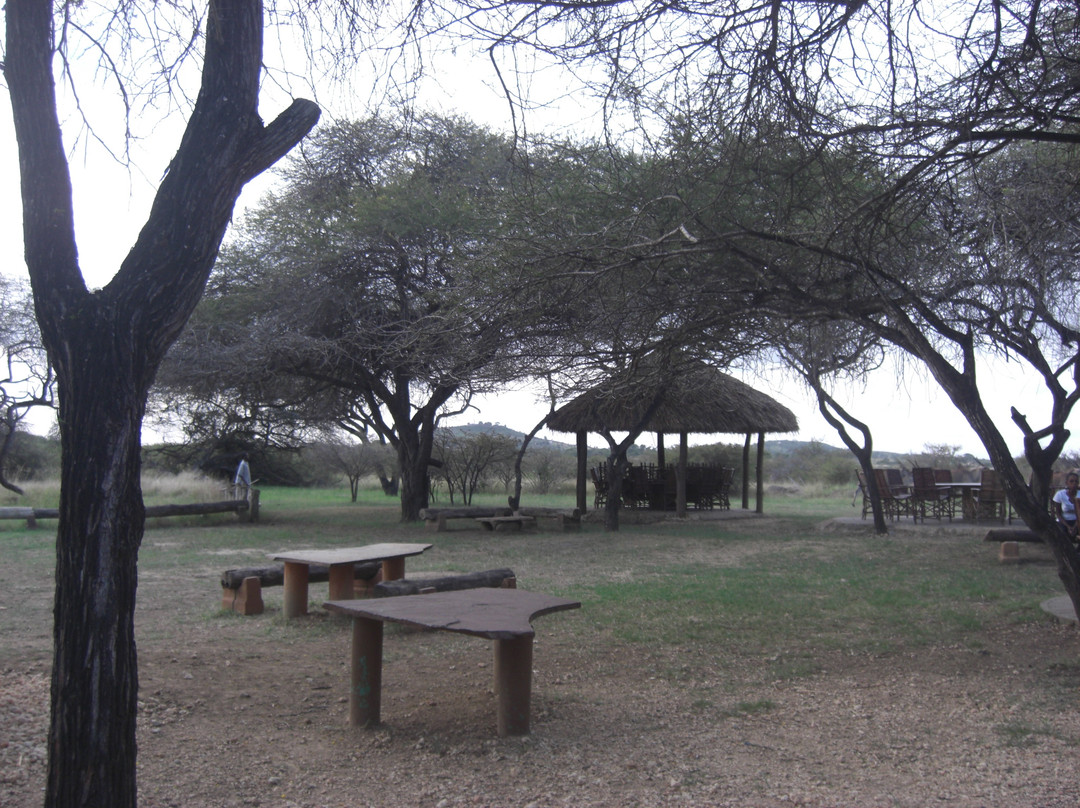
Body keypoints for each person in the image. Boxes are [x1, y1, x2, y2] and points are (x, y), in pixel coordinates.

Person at [1052, 471, 1079, 539]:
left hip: (1077, 521)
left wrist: (1075, 526)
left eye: (1076, 481)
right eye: (1071, 481)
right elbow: (1058, 513)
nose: (1074, 483)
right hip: (1064, 521)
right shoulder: (1060, 494)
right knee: (1062, 533)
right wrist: (1068, 526)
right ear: (1067, 483)